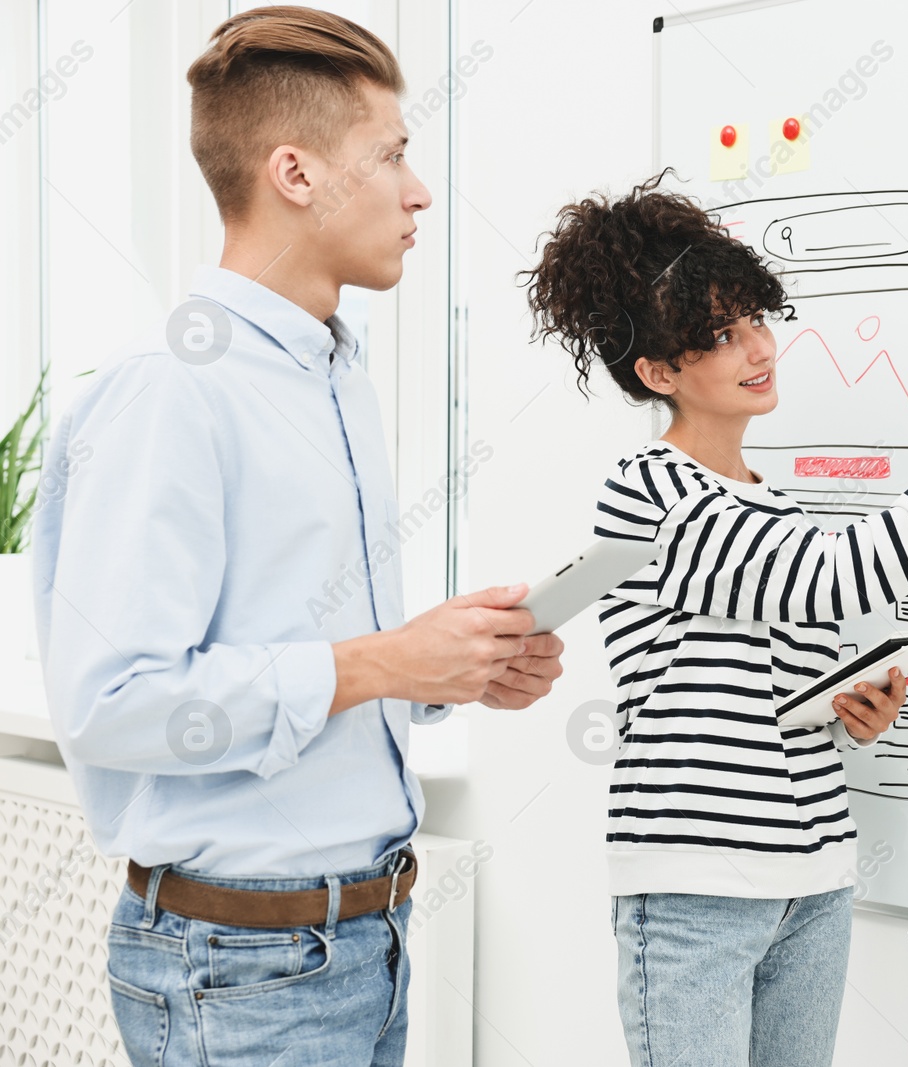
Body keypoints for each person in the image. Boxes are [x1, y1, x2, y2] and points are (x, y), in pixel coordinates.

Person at [30, 8, 563, 1065]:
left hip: (364, 939)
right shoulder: (172, 392)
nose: (418, 190)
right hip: (237, 970)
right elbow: (112, 701)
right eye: (395, 154)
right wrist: (381, 661)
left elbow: (297, 650)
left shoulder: (333, 373)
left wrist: (440, 665)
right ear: (295, 172)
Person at [523, 172, 908, 1067]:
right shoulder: (647, 491)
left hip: (815, 879)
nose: (757, 347)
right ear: (659, 371)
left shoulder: (778, 505)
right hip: (693, 895)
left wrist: (848, 708)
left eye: (755, 319)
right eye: (720, 335)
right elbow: (830, 579)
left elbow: (774, 671)